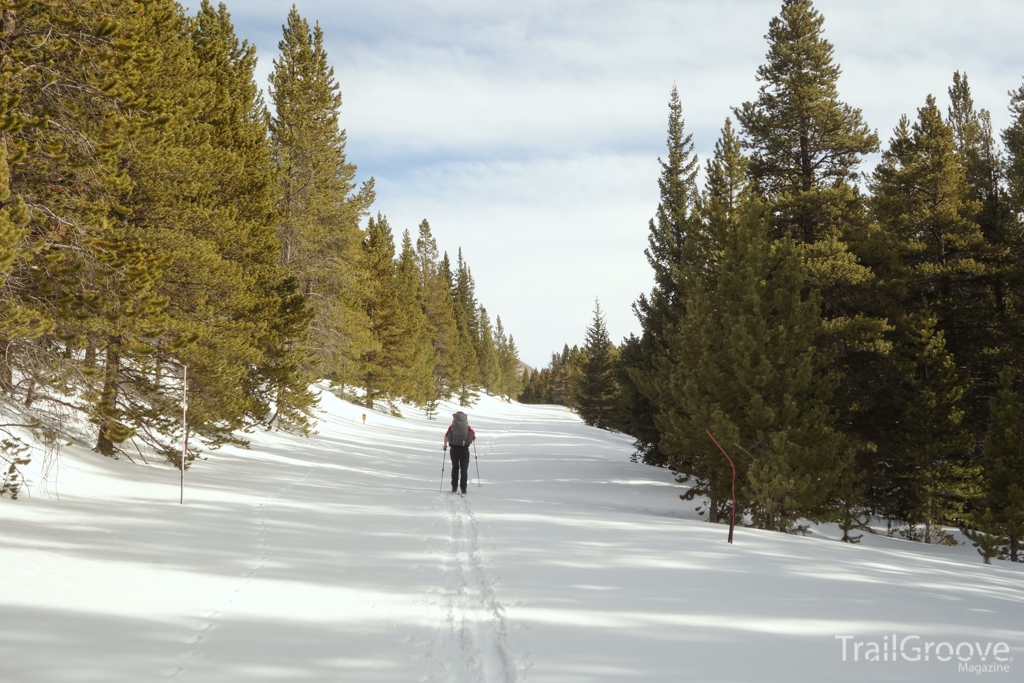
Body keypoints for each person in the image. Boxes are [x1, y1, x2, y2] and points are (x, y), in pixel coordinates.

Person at [443, 411, 475, 494]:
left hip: (454, 449)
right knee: (464, 469)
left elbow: (447, 436)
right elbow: (473, 437)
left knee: (455, 467)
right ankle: (463, 489)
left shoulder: (452, 426)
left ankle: (454, 487)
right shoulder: (467, 427)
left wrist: (445, 445)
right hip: (464, 450)